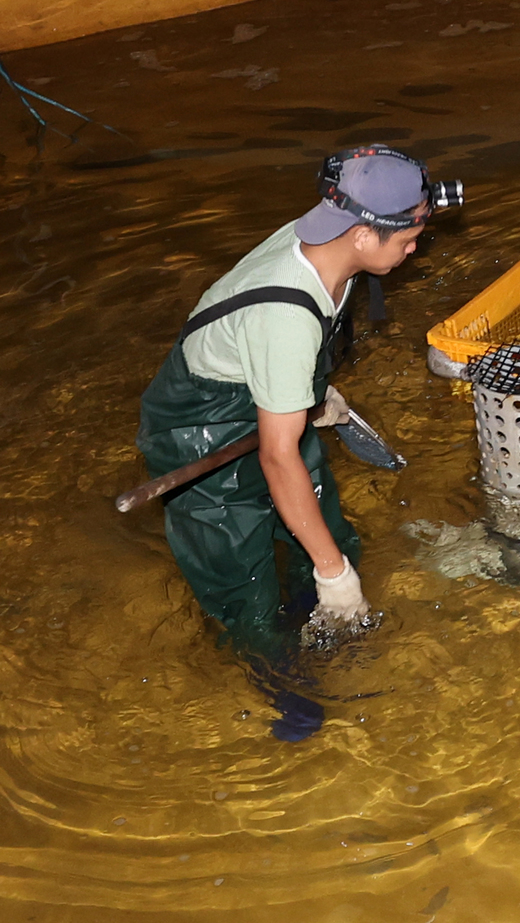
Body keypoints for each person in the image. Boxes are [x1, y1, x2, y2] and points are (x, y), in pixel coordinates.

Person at [136, 146, 440, 739]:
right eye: (410, 234)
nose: (415, 246)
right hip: (199, 427)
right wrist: (335, 575)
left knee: (327, 530)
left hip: (262, 397)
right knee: (243, 582)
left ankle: (315, 616)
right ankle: (276, 677)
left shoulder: (326, 244)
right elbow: (278, 455)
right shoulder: (286, 313)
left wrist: (303, 394)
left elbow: (282, 417)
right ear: (360, 233)